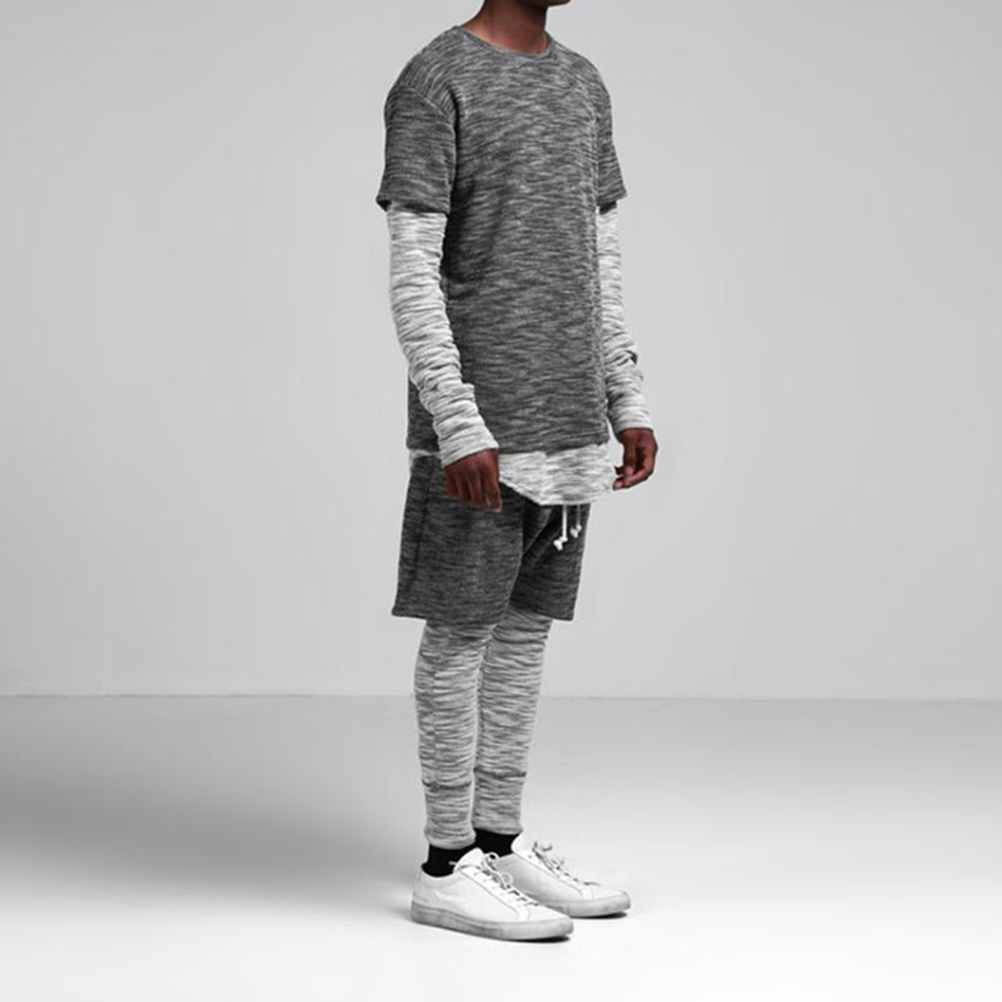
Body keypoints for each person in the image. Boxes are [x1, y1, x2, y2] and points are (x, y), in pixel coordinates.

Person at [375, 0, 658, 941]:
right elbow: (413, 267)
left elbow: (599, 258)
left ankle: (498, 842)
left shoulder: (582, 83)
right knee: (462, 634)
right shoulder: (436, 78)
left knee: (525, 636)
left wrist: (625, 396)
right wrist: (457, 423)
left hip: (570, 421)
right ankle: (445, 864)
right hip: (483, 425)